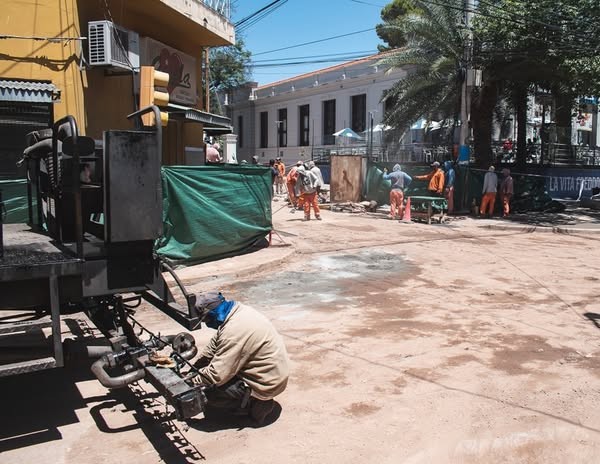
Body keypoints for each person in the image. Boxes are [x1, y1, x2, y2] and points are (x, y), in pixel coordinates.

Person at [190, 292, 289, 424]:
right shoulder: (237, 311)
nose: (207, 324)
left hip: (267, 383)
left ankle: (254, 404)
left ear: (212, 314)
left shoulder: (234, 331)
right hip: (270, 372)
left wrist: (190, 382)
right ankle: (248, 399)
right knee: (206, 375)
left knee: (209, 392)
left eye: (206, 320)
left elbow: (216, 375)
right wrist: (195, 368)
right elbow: (213, 347)